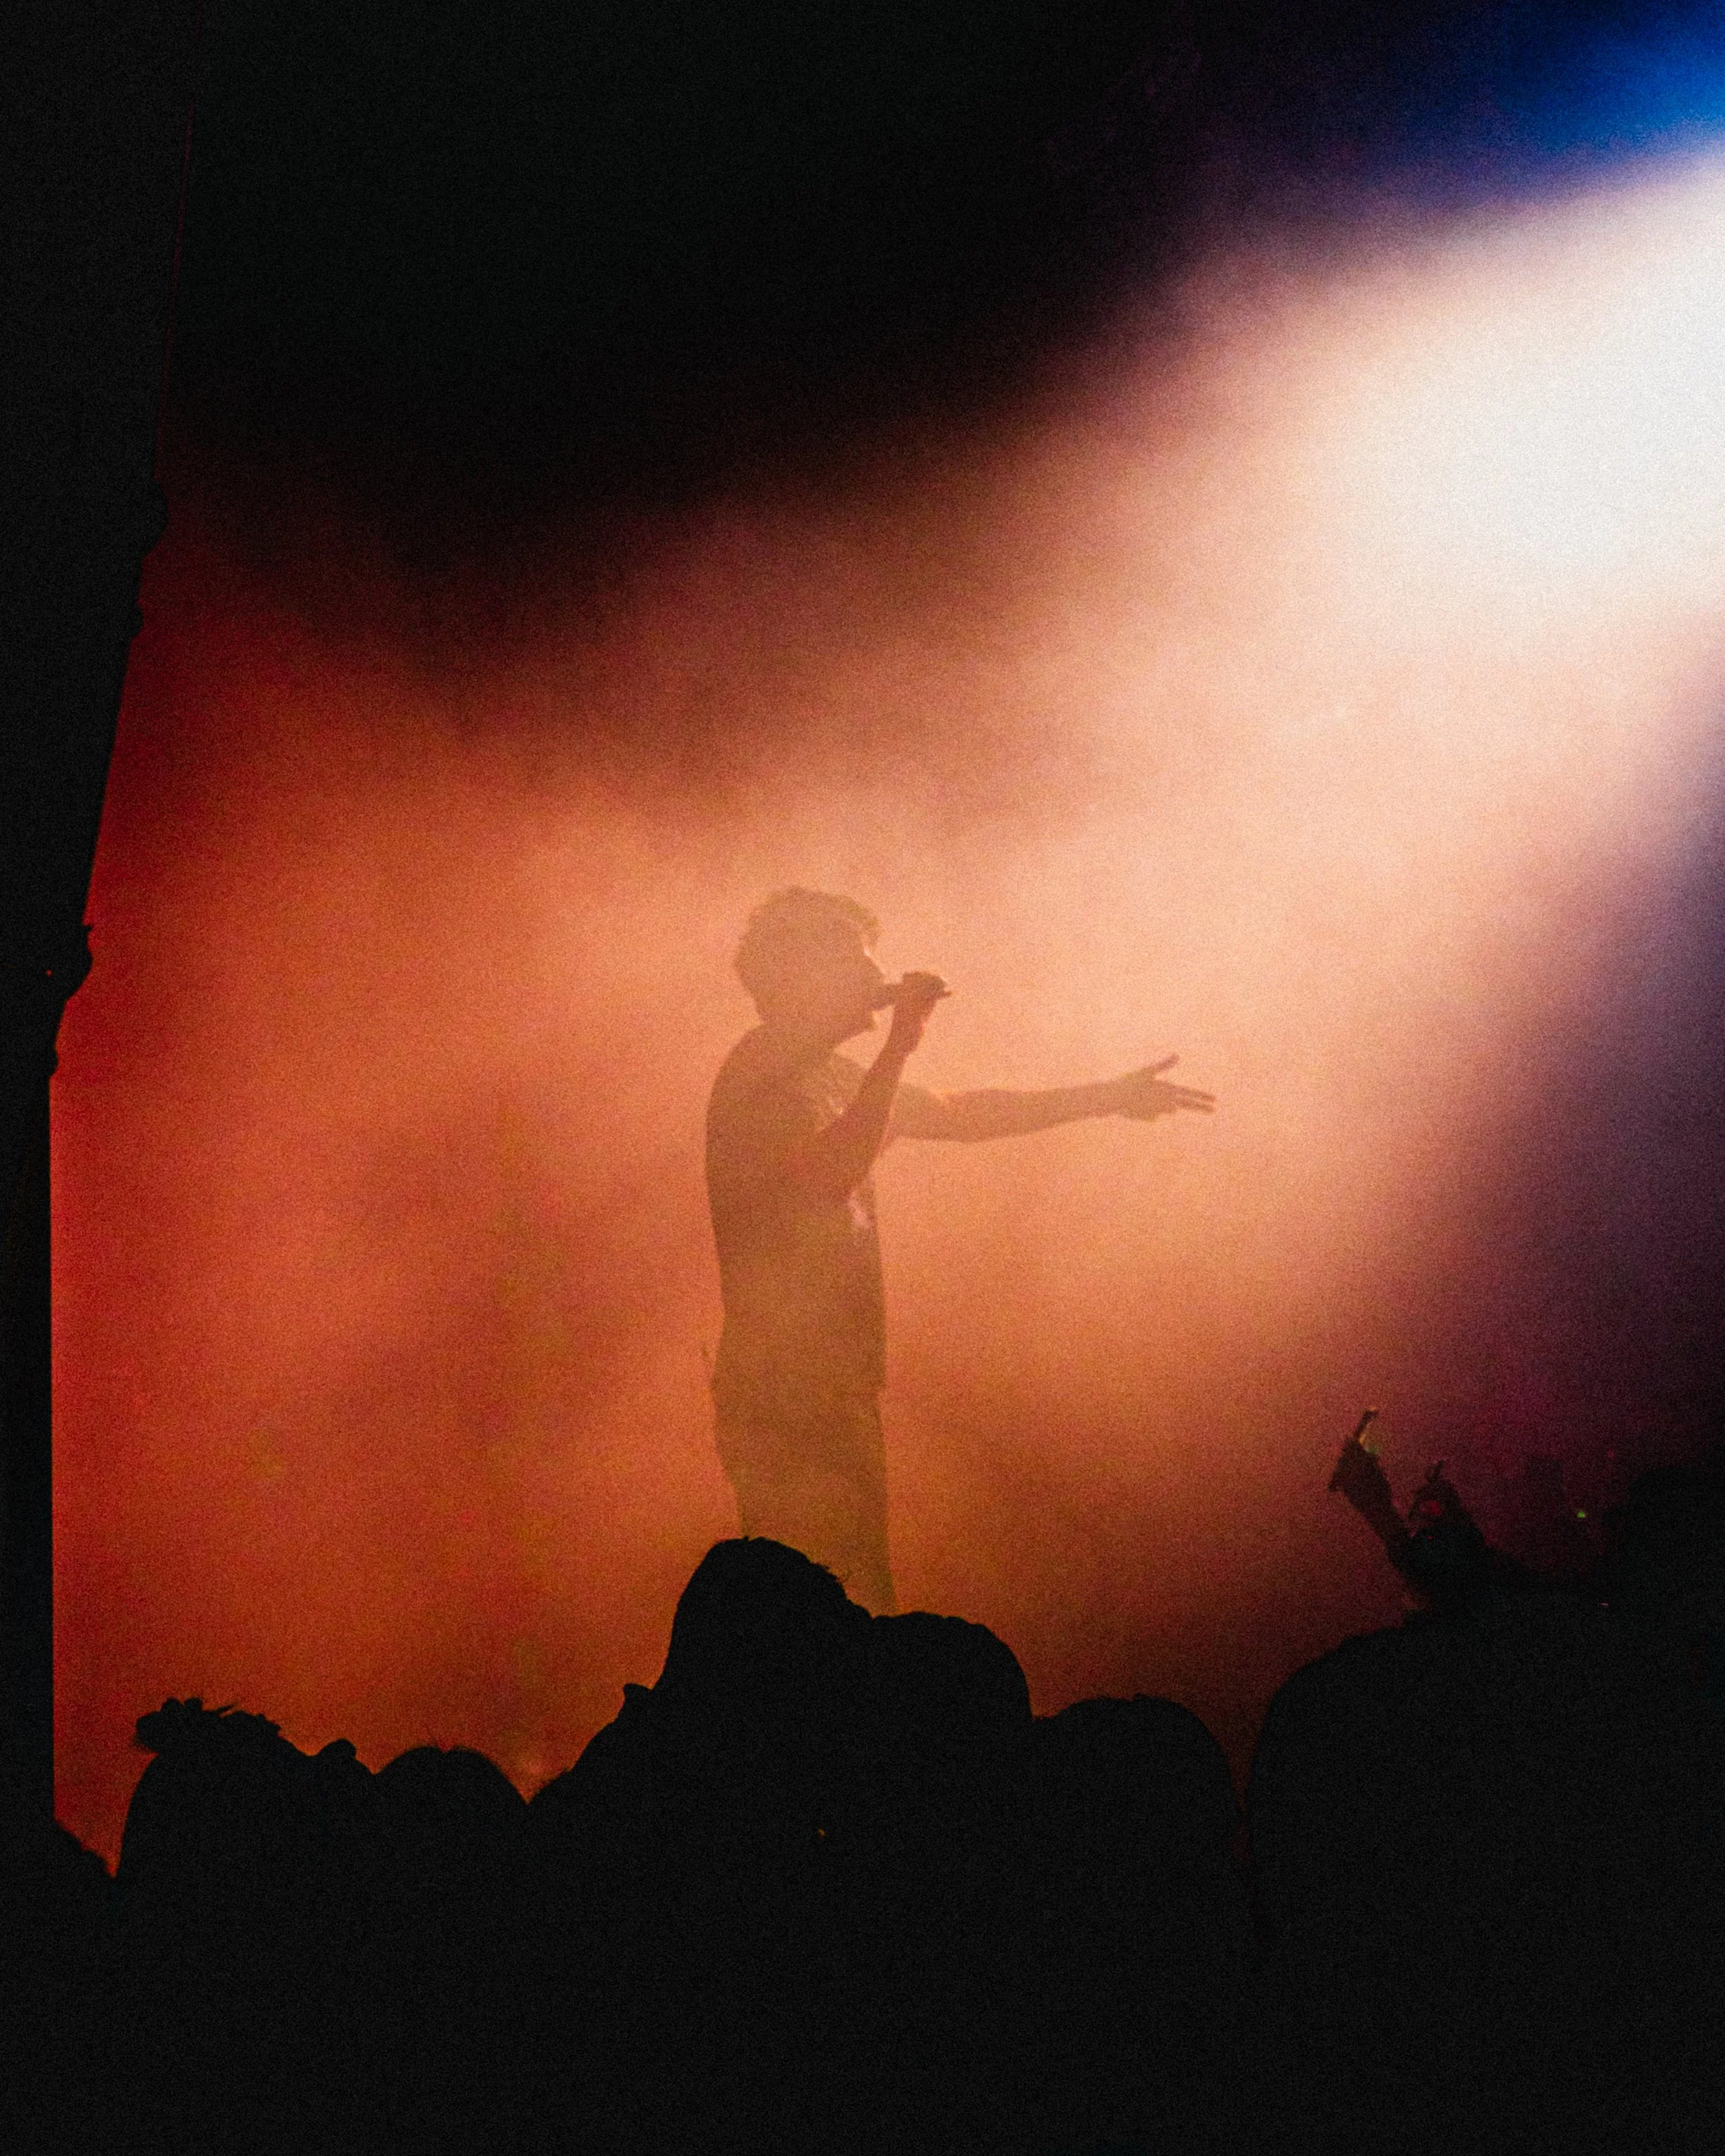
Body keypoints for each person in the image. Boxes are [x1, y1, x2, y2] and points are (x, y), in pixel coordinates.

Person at [704, 887, 1215, 1612]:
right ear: (800, 975)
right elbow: (828, 1171)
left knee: (852, 1599)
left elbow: (957, 1111)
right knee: (815, 1614)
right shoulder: (760, 1072)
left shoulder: (829, 1071)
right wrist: (899, 1044)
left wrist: (1106, 1095)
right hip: (785, 1389)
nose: (875, 983)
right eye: (855, 967)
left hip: (828, 1380)